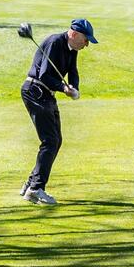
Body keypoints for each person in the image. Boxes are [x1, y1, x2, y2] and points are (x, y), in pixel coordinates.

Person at [19, 17, 96, 205]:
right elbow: (45, 75)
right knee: (50, 140)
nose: (86, 44)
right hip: (35, 91)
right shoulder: (55, 42)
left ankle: (30, 184)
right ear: (74, 34)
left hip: (46, 94)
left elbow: (73, 71)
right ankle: (35, 190)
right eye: (86, 40)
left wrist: (74, 87)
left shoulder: (72, 49)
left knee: (56, 140)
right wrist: (64, 89)